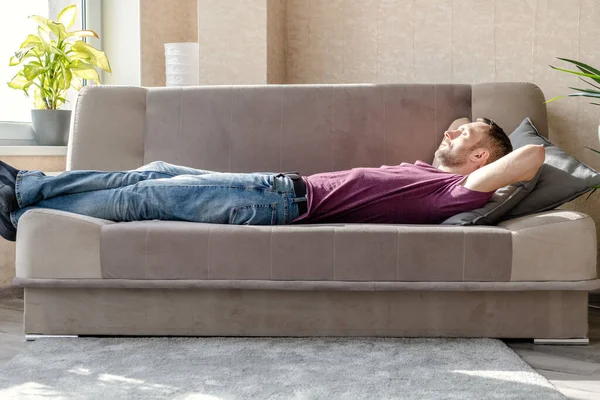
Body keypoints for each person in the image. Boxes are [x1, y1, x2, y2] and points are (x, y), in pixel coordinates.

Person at [0, 117, 545, 242]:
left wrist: (496, 158)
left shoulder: (453, 192)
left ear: (480, 159)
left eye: (464, 133)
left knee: (142, 197)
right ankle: (23, 200)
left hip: (279, 203)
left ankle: (22, 203)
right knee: (156, 171)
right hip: (272, 186)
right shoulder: (428, 172)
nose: (450, 130)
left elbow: (533, 156)